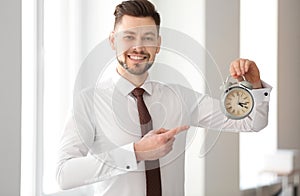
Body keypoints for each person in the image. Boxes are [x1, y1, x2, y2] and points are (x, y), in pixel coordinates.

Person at [56, 0, 271, 195]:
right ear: (113, 41)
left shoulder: (180, 97)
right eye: (128, 37)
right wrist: (136, 153)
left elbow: (252, 122)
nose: (138, 47)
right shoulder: (87, 102)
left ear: (158, 44)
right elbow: (64, 175)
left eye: (147, 38)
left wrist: (253, 85)